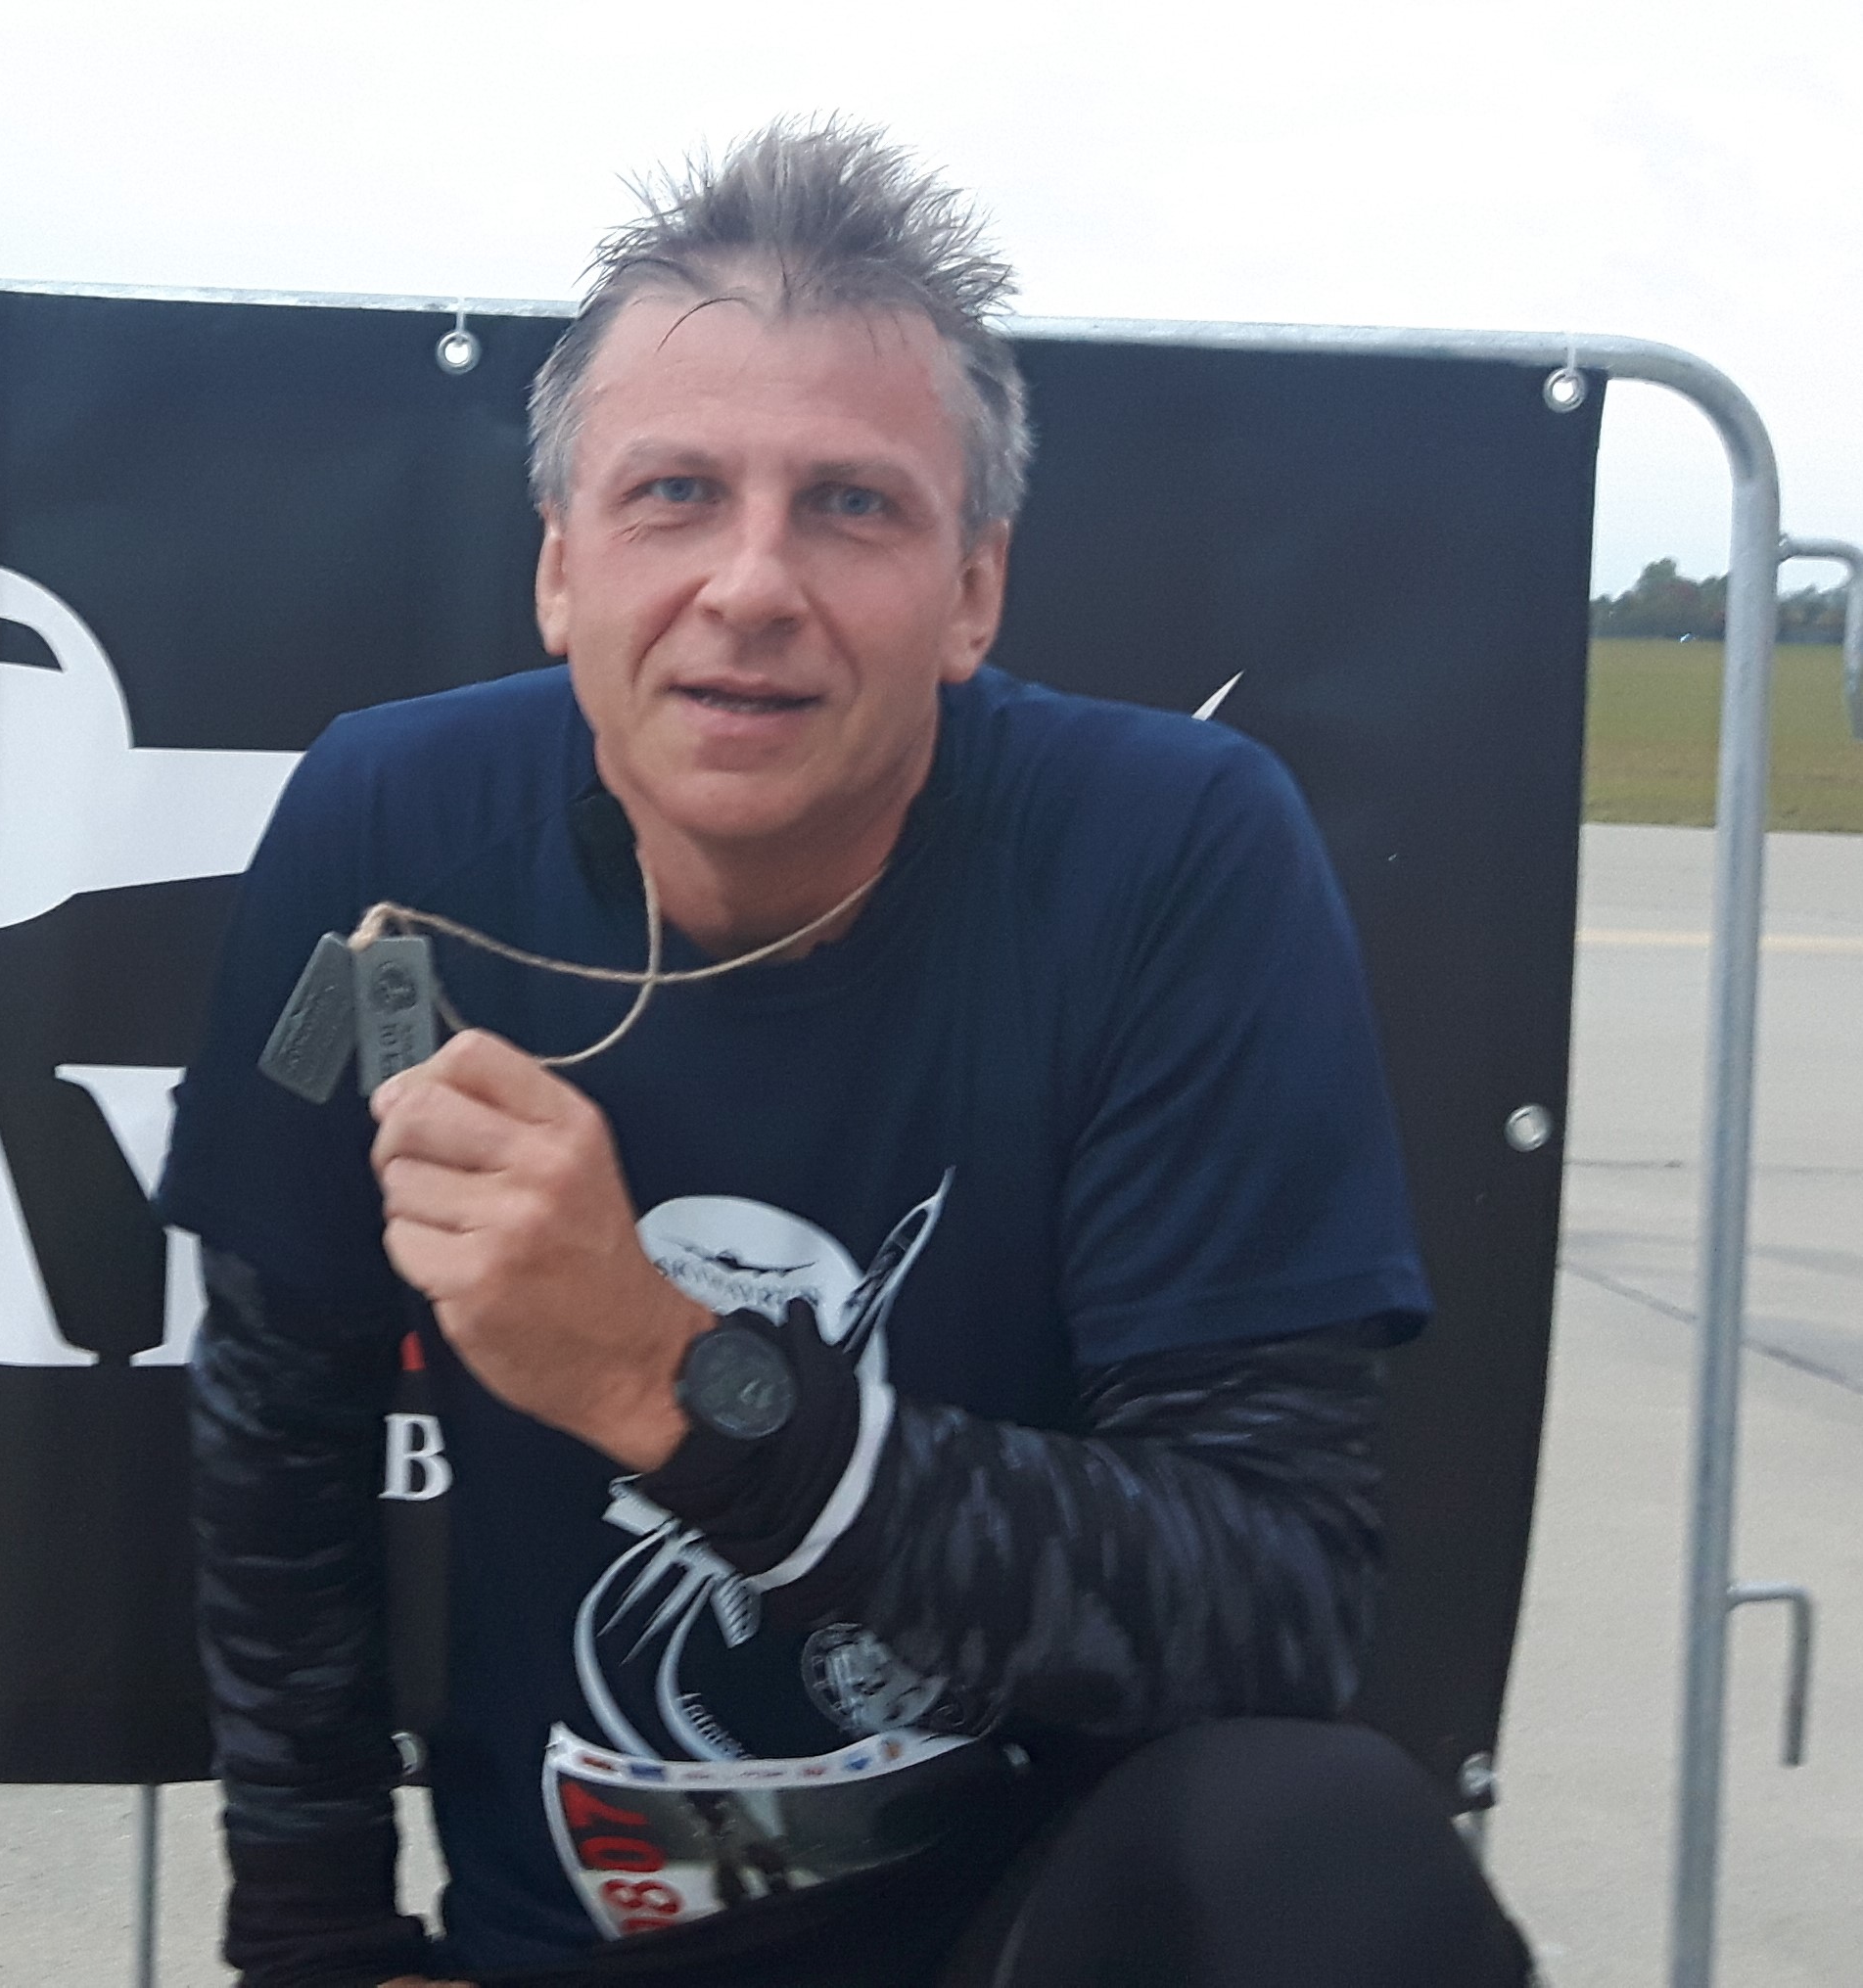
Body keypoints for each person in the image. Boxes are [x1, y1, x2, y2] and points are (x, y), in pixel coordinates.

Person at [157, 118, 1535, 1987]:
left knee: (1327, 1855)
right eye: (674, 494)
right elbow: (279, 1421)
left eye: (852, 505)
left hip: (1032, 1924)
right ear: (561, 571)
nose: (751, 583)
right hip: (578, 1922)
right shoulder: (387, 832)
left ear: (972, 591)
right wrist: (314, 1943)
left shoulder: (1172, 852)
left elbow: (1274, 1598)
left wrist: (675, 1376)